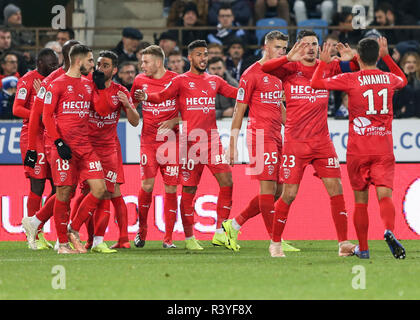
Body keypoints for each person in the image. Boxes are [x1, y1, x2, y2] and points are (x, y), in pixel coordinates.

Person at [261, 30, 358, 257]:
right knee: (289, 195)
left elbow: (355, 69)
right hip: (296, 143)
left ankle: (343, 243)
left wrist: (351, 58)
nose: (312, 48)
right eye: (306, 44)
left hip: (322, 142)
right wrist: (287, 57)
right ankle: (275, 242)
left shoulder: (328, 66)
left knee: (337, 190)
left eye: (315, 43)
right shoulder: (289, 69)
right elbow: (265, 68)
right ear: (298, 47)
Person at [135, 40, 238, 250]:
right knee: (189, 189)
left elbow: (236, 94)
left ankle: (220, 232)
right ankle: (190, 238)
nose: (203, 58)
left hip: (212, 141)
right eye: (199, 54)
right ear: (190, 58)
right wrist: (146, 96)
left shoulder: (215, 81)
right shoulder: (181, 81)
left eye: (206, 54)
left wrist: (258, 91)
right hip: (189, 143)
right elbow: (162, 96)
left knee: (227, 181)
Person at [310, 37, 407, 259]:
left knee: (360, 201)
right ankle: (389, 230)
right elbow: (403, 79)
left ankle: (363, 248)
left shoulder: (350, 78)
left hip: (358, 150)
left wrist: (324, 62)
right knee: (385, 195)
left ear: (358, 57)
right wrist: (387, 57)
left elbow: (316, 84)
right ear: (377, 56)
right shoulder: (389, 78)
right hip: (383, 149)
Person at [22, 44, 108, 254]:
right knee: (64, 192)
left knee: (99, 188)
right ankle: (62, 243)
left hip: (85, 146)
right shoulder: (54, 83)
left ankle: (67, 227)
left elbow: (102, 111)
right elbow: (43, 115)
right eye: (90, 60)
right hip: (62, 146)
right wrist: (53, 143)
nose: (93, 64)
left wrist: (101, 88)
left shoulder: (89, 83)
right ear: (78, 60)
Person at [223, 30, 287, 253]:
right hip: (259, 136)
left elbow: (278, 105)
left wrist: (292, 127)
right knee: (268, 190)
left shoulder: (279, 73)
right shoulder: (251, 74)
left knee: (277, 191)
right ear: (266, 47)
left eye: (284, 48)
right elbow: (238, 111)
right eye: (278, 47)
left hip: (276, 136)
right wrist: (232, 144)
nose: (281, 52)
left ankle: (233, 225)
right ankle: (275, 241)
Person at [20, 40, 81, 251]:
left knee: (63, 189)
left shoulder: (83, 78)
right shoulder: (52, 81)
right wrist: (31, 148)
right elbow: (35, 115)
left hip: (71, 142)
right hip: (48, 141)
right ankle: (38, 235)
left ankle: (53, 233)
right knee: (49, 186)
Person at [76, 50, 140, 252]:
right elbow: (101, 110)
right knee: (89, 193)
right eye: (99, 65)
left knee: (111, 192)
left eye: (105, 65)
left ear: (114, 70)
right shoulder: (86, 86)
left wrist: (128, 105)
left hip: (110, 148)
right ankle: (86, 238)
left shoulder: (120, 91)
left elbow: (135, 121)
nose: (100, 68)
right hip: (87, 148)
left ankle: (117, 239)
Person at [130, 45, 181, 249]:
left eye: (146, 62)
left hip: (171, 143)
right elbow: (131, 107)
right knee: (147, 186)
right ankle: (141, 231)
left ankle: (168, 239)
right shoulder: (139, 81)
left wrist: (174, 121)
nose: (142, 66)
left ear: (158, 62)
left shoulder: (176, 80)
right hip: (149, 142)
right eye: (142, 62)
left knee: (170, 188)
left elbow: (190, 111)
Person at [13, 48, 59, 251]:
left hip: (52, 135)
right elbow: (16, 108)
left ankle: (38, 224)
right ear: (39, 63)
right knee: (37, 185)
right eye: (50, 64)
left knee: (59, 187)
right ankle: (35, 237)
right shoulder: (28, 79)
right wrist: (39, 113)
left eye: (56, 64)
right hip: (33, 137)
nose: (54, 68)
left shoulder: (57, 79)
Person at [393, 51, 420, 118]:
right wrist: (405, 74)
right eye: (408, 62)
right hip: (402, 117)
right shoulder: (397, 78)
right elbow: (395, 98)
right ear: (403, 64)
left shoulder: (418, 80)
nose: (411, 64)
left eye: (414, 62)